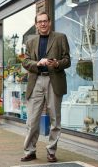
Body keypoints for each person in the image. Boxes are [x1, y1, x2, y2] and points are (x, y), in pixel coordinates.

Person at [21, 11, 71, 162]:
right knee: (32, 120)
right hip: (36, 81)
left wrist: (56, 63)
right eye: (40, 21)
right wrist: (37, 63)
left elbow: (67, 60)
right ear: (36, 25)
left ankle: (51, 151)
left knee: (55, 119)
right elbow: (25, 62)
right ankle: (30, 151)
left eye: (45, 21)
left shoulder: (60, 37)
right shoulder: (30, 41)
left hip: (53, 80)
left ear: (49, 23)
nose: (42, 24)